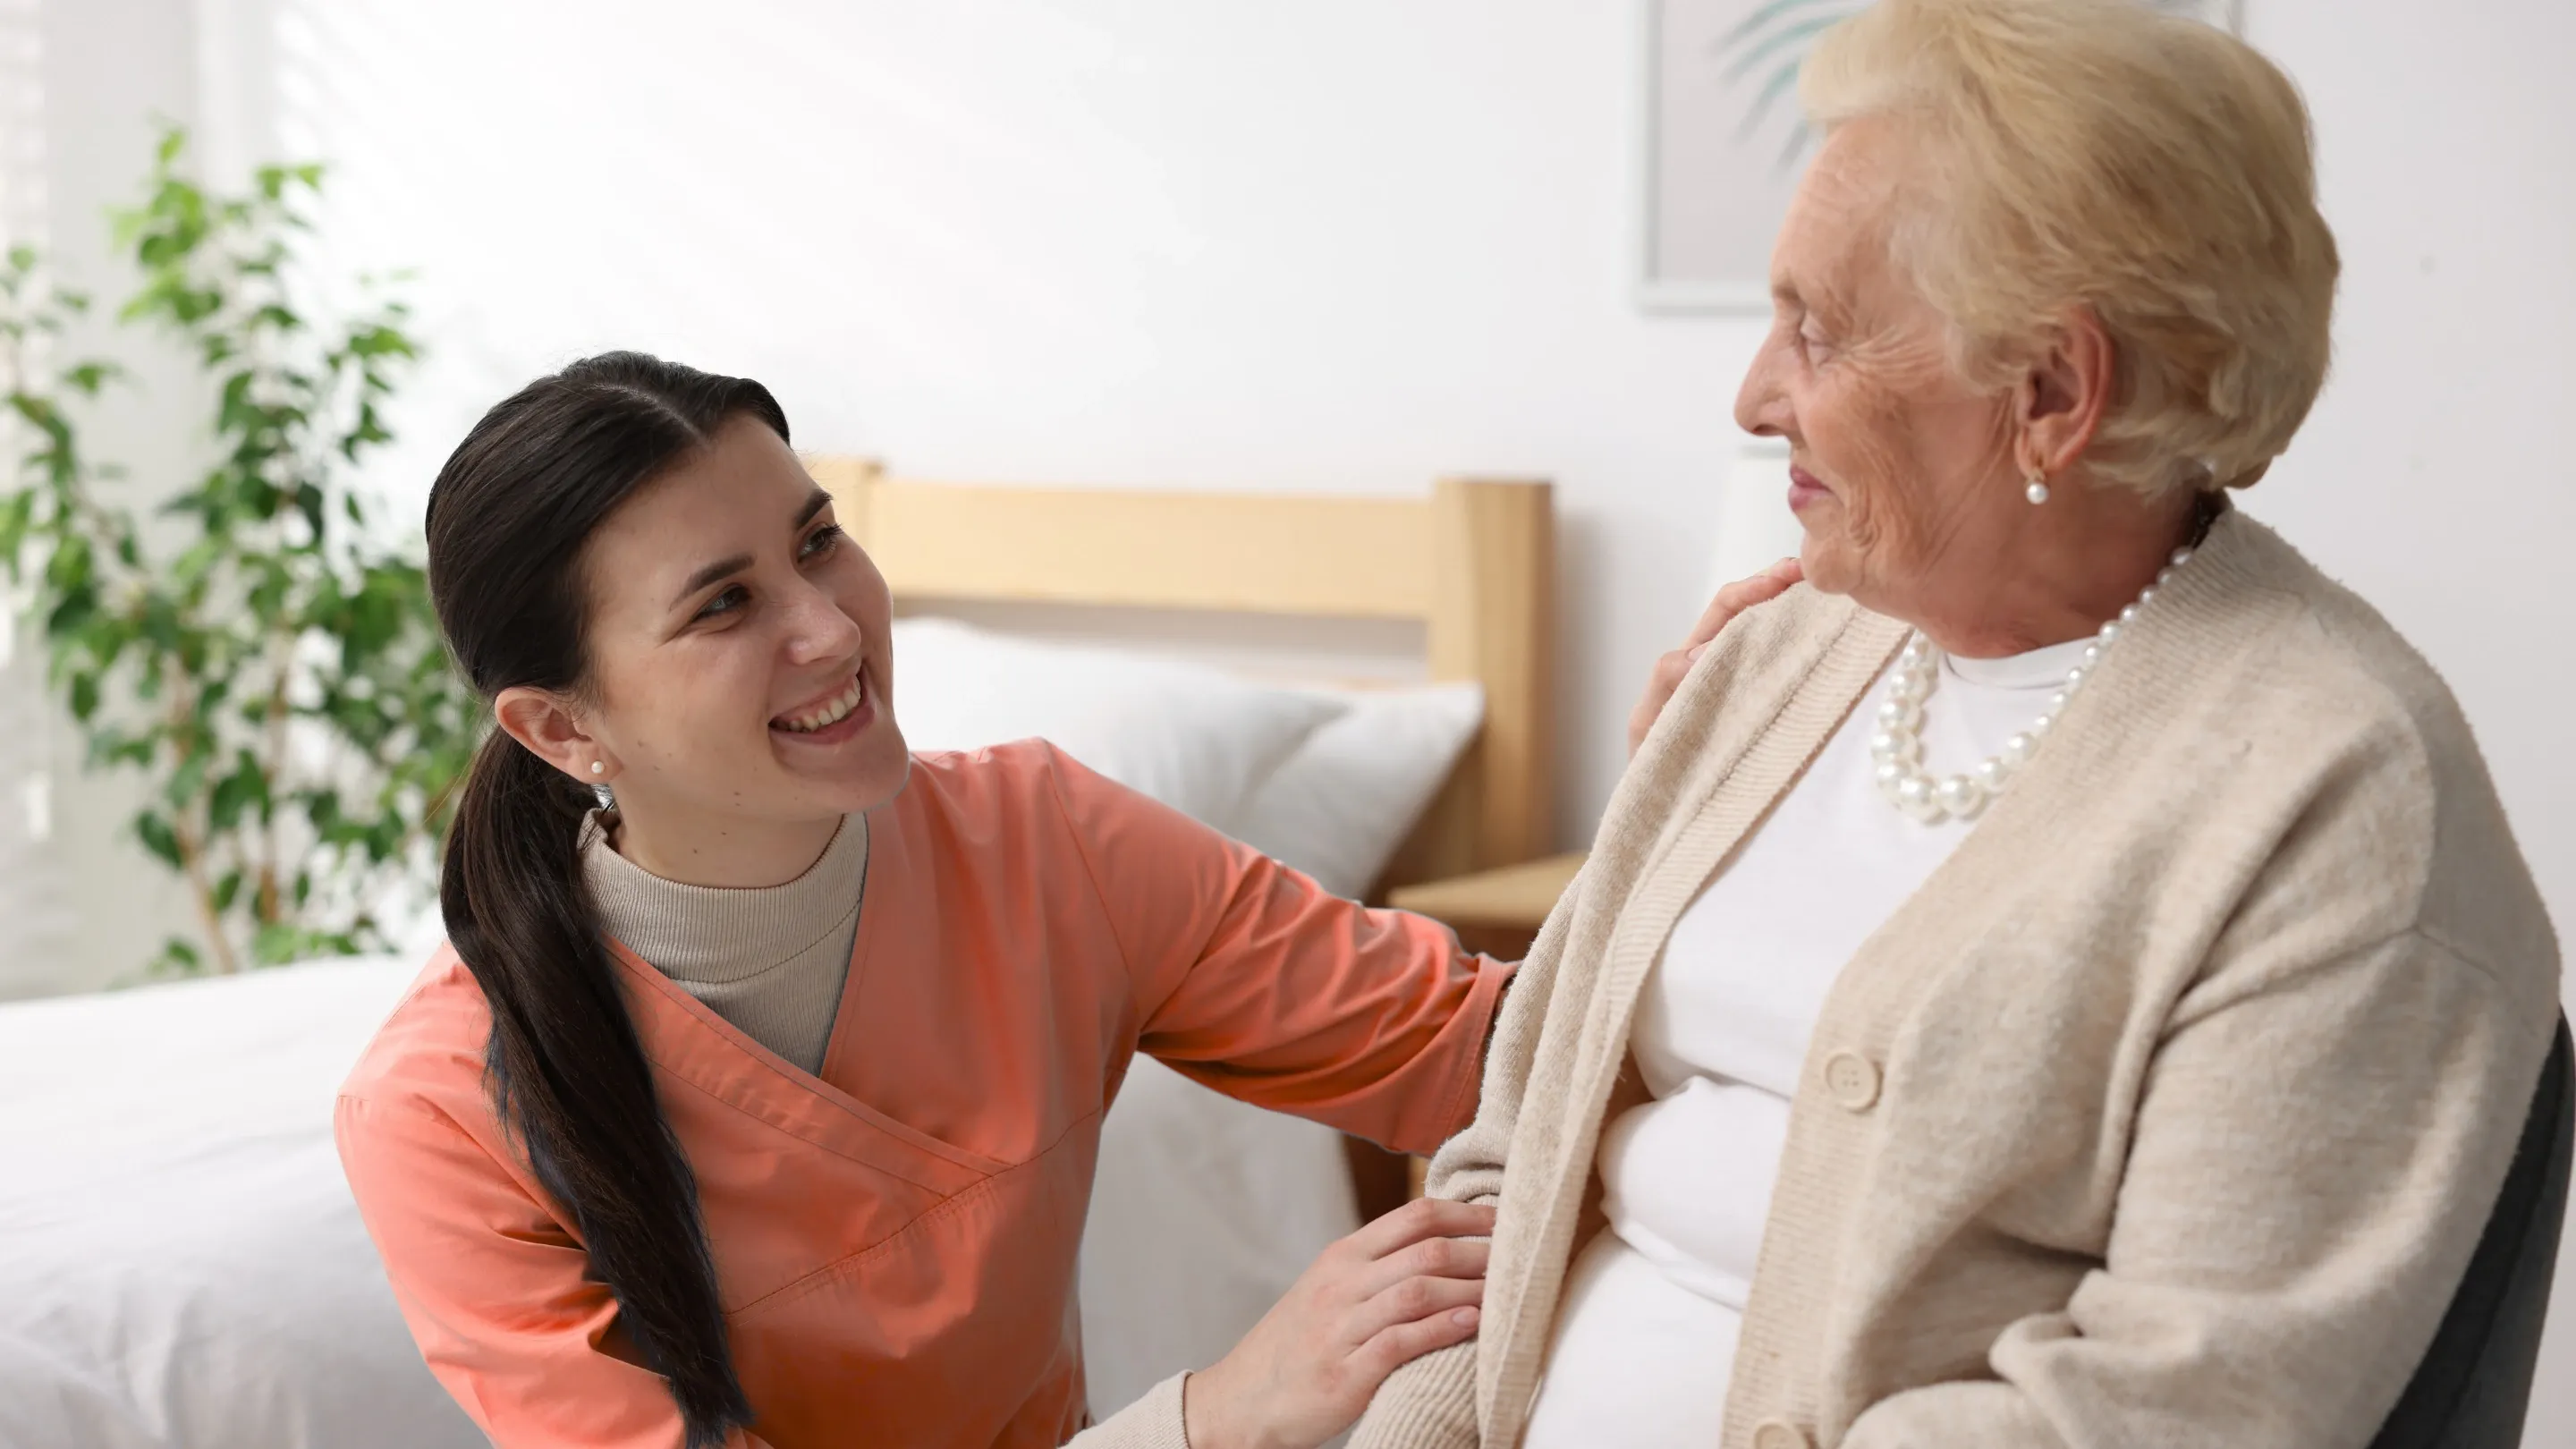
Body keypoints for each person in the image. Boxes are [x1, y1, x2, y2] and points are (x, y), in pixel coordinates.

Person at [1352, 1, 2561, 1445]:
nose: (1754, 396)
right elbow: (1511, 1166)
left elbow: (2176, 1410)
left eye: (1819, 331)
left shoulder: (2340, 798)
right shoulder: (1770, 659)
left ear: (2051, 392)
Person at [335, 352, 1513, 1449]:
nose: (832, 626)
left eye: (818, 541)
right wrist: (1219, 1416)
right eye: (724, 604)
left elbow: (1497, 1051)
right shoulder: (439, 1117)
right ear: (560, 728)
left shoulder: (1050, 844)